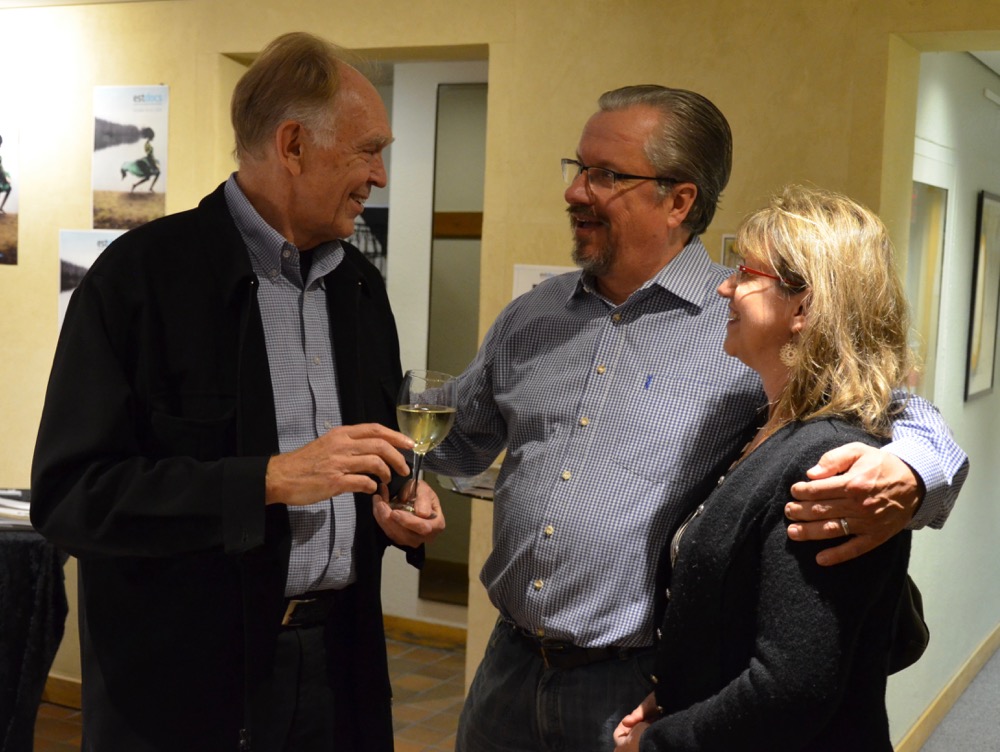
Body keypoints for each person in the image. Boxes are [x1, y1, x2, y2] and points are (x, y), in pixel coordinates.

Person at [425, 85, 968, 751]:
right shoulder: (534, 317)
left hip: (635, 684)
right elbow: (452, 436)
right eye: (578, 168)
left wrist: (911, 470)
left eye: (605, 175)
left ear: (678, 201)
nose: (575, 191)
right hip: (507, 669)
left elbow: (881, 406)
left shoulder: (743, 330)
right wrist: (391, 463)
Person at [30, 32, 444, 752]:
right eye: (368, 150)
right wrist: (269, 480)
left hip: (340, 671)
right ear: (293, 145)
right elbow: (71, 498)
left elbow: (356, 461)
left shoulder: (359, 287)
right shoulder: (139, 280)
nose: (380, 176)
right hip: (184, 694)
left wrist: (396, 500)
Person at [613, 185, 920, 750]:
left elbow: (793, 687)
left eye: (745, 272)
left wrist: (660, 743)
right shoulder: (767, 424)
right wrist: (677, 694)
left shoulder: (830, 462)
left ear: (803, 307)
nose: (724, 286)